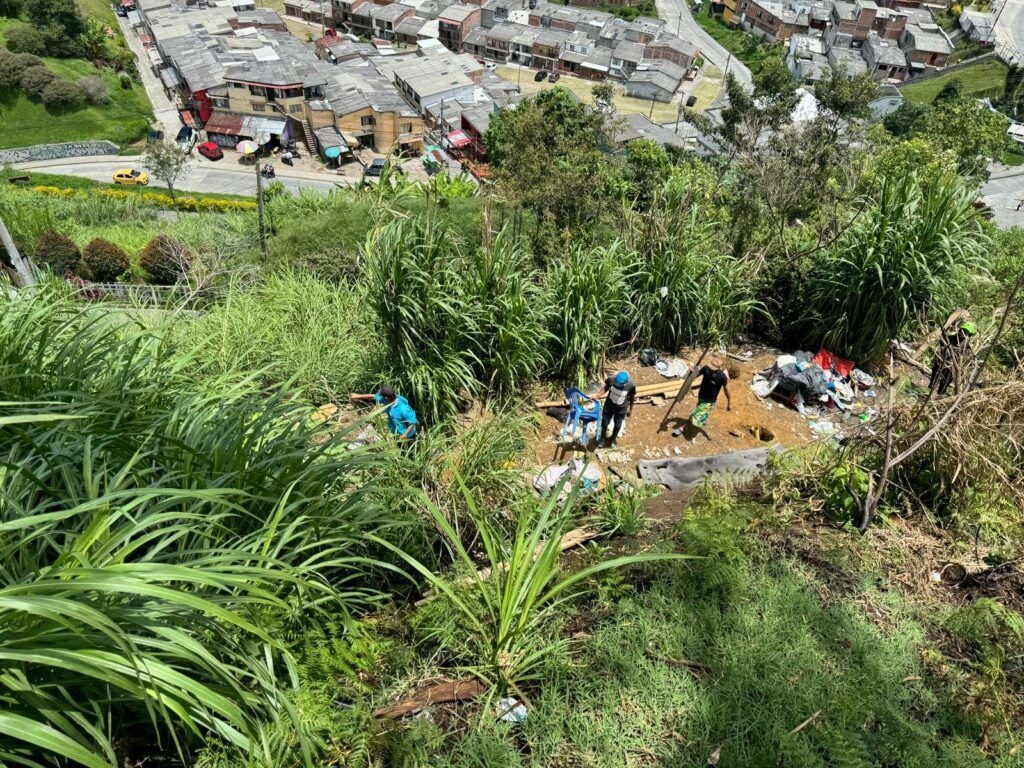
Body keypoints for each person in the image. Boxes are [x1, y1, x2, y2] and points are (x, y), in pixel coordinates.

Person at [350, 385, 418, 442]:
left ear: (386, 398)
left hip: (407, 434)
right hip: (395, 432)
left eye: (381, 395)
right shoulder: (387, 399)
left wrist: (405, 435)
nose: (380, 396)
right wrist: (357, 396)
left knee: (409, 450)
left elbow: (412, 422)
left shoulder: (403, 408)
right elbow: (372, 396)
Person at [930, 319, 977, 396]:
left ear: (969, 335)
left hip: (952, 363)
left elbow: (967, 357)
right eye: (962, 330)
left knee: (947, 378)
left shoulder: (967, 346)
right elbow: (941, 342)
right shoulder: (951, 336)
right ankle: (930, 386)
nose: (962, 333)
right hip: (942, 357)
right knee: (935, 370)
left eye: (965, 332)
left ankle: (940, 393)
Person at [594, 370, 636, 447]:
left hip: (621, 409)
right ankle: (603, 438)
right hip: (609, 406)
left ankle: (613, 439)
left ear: (625, 382)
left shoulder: (631, 385)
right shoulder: (612, 379)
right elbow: (605, 388)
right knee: (604, 423)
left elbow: (632, 397)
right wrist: (597, 396)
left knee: (617, 425)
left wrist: (630, 410)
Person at [688, 361, 731, 431]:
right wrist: (692, 371)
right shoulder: (706, 369)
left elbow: (726, 391)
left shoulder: (722, 376)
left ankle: (692, 429)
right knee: (699, 411)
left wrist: (729, 403)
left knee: (696, 416)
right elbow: (696, 375)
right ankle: (694, 426)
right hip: (701, 396)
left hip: (710, 400)